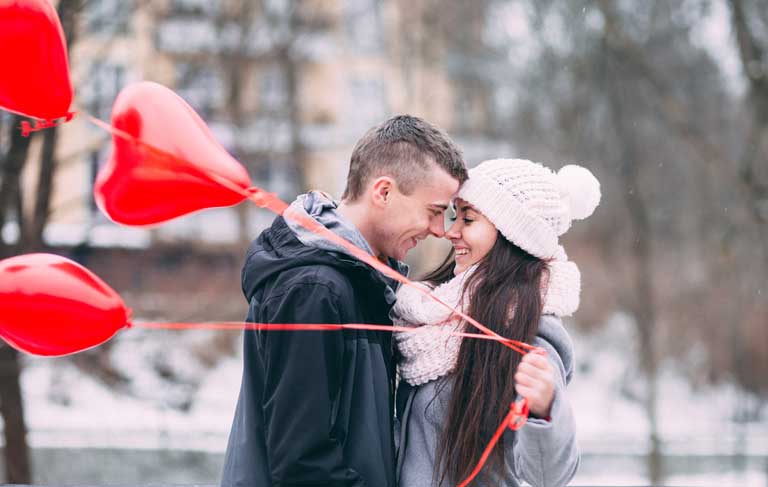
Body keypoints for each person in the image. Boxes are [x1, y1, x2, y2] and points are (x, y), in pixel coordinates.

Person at [220, 115, 468, 487]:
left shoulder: (363, 283)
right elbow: (301, 463)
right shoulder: (314, 289)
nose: (440, 230)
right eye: (434, 211)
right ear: (383, 192)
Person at [393, 158, 601, 487]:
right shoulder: (428, 317)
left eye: (469, 219)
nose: (451, 232)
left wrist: (544, 409)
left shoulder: (529, 333)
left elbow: (550, 476)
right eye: (454, 216)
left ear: (511, 233)